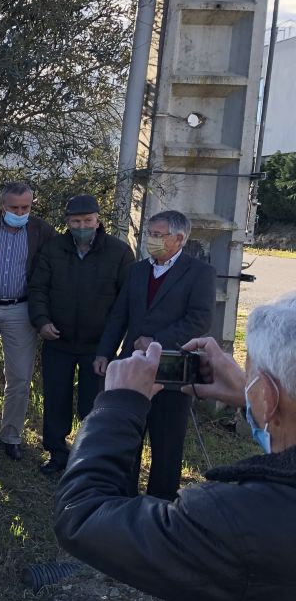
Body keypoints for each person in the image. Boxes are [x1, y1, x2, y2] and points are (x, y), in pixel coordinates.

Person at [54, 318, 296, 601]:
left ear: (270, 399)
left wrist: (118, 406)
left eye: (254, 379)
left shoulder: (237, 523)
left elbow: (83, 515)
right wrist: (249, 394)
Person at [93, 210, 216, 498]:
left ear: (179, 238)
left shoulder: (199, 273)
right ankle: (123, 498)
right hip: (132, 366)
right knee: (128, 434)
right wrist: (104, 353)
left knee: (167, 441)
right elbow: (118, 316)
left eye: (158, 235)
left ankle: (161, 503)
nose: (152, 240)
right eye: (150, 234)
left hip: (172, 367)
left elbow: (199, 319)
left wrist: (156, 341)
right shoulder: (137, 270)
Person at [27, 195, 134, 474]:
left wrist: (109, 347)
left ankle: (88, 457)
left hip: (98, 346)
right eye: (76, 221)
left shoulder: (119, 253)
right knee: (55, 397)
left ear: (98, 220)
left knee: (93, 404)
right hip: (58, 340)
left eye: (88, 220)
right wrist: (42, 322)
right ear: (67, 222)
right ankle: (56, 453)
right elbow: (38, 289)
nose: (82, 226)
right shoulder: (53, 249)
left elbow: (126, 303)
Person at [0, 182, 54, 461]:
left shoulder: (42, 231)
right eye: (14, 207)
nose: (20, 211)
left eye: (25, 207)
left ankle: (11, 435)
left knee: (19, 376)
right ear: (2, 206)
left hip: (20, 308)